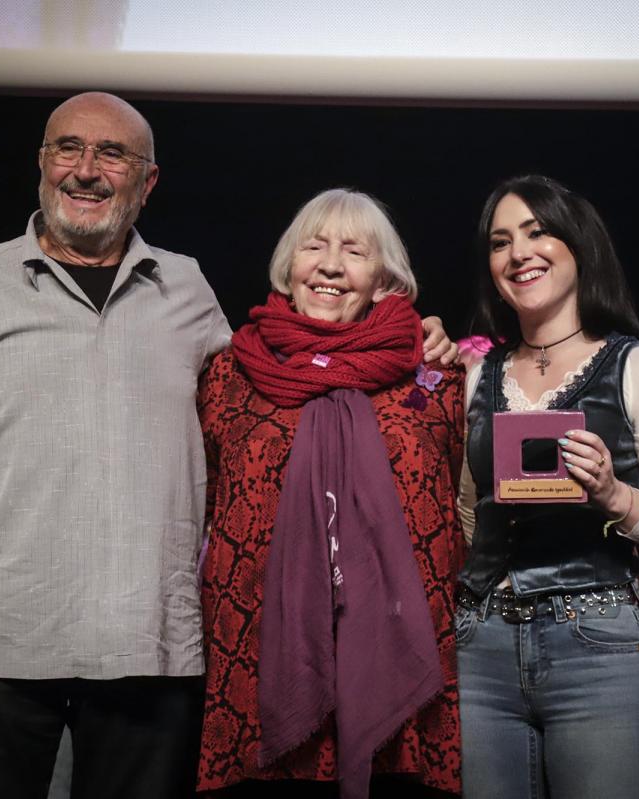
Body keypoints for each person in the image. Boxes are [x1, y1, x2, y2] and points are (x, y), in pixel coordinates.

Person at [0, 93, 456, 799]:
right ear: (41, 163)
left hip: (149, 650)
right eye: (68, 148)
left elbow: (281, 388)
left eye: (112, 154)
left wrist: (413, 339)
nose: (86, 170)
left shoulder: (185, 288)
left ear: (147, 181)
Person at [454, 174, 639, 799]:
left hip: (596, 644)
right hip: (480, 647)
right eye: (500, 242)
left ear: (579, 246)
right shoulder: (474, 376)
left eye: (537, 232)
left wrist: (617, 497)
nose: (518, 253)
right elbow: (468, 515)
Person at [196, 189, 464, 798]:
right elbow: (207, 504)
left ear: (385, 280)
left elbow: (460, 508)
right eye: (313, 246)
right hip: (260, 660)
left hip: (398, 666)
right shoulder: (228, 375)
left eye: (354, 251)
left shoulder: (434, 375)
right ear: (289, 268)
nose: (331, 265)